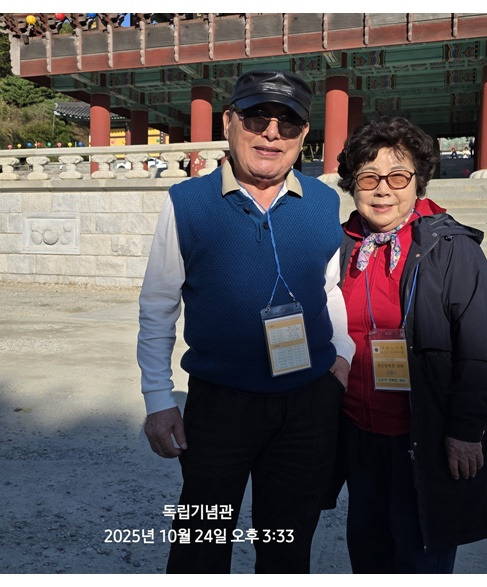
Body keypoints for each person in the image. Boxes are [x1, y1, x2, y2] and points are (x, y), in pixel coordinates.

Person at [137, 70, 355, 574]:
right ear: (229, 122)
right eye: (257, 117)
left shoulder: (324, 202)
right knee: (201, 542)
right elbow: (158, 305)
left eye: (288, 122)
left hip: (307, 401)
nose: (271, 133)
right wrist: (158, 398)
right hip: (220, 405)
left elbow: (329, 289)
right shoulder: (187, 203)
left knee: (288, 542)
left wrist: (342, 354)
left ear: (304, 134)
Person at [333, 116, 487, 573]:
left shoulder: (449, 248)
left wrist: (466, 430)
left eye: (397, 177)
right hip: (357, 432)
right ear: (353, 185)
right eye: (368, 177)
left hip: (423, 432)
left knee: (419, 553)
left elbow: (481, 349)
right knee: (368, 550)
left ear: (417, 182)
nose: (382, 190)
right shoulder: (342, 246)